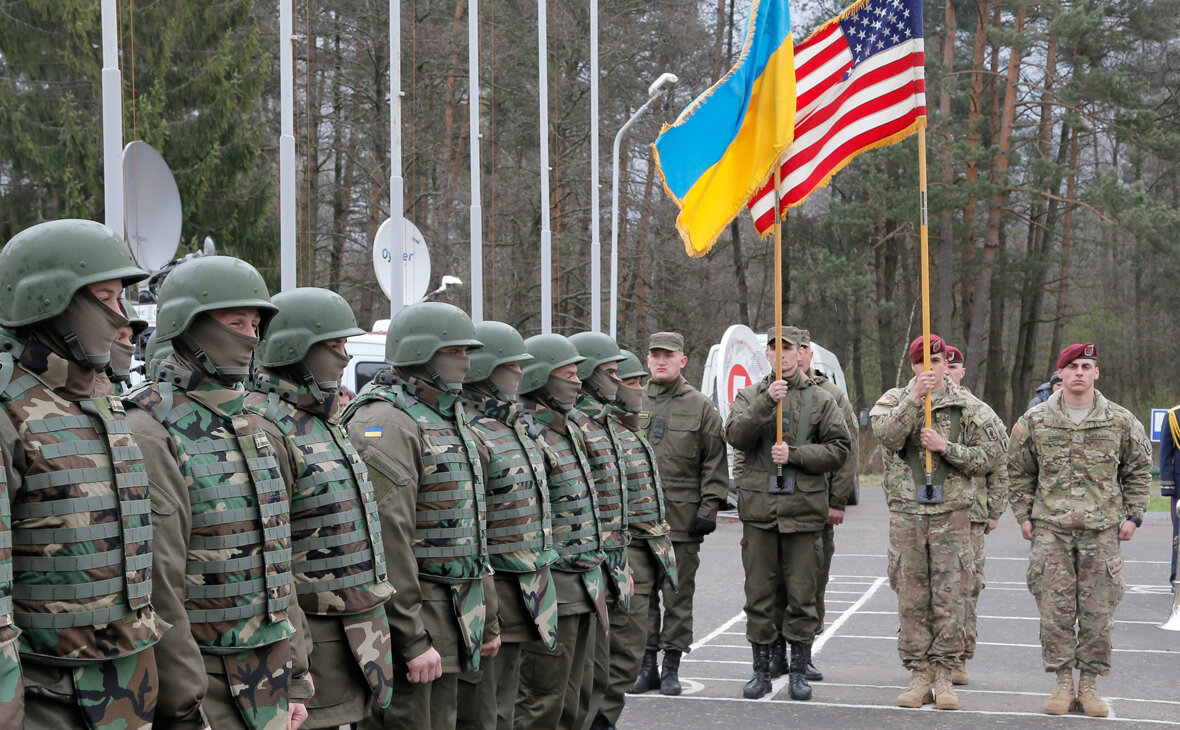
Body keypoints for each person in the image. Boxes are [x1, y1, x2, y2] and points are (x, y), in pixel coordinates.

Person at [125, 255, 312, 730]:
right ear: (188, 327)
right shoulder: (149, 430)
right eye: (235, 322)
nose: (250, 336)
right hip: (204, 687)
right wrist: (185, 703)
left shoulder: (252, 425)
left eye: (255, 324)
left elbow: (278, 558)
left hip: (268, 681)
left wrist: (295, 676)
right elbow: (158, 588)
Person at [0, 219, 166, 729]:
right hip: (45, 698)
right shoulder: (9, 411)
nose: (124, 316)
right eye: (108, 297)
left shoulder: (102, 401)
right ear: (51, 300)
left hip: (127, 691)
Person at [243, 288, 396, 729]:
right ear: (294, 349)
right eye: (333, 346)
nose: (345, 357)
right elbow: (270, 559)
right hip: (308, 644)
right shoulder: (266, 426)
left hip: (351, 643)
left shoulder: (322, 421)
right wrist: (295, 668)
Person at [341, 302, 493, 730]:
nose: (466, 362)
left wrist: (487, 617)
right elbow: (387, 539)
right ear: (422, 354)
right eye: (455, 351)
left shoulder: (443, 415)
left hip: (451, 613)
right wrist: (409, 635)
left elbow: (475, 527)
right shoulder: (387, 422)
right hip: (414, 614)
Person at [1008, 343, 1150, 717]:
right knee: (1054, 612)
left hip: (1101, 532)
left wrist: (1133, 516)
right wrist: (1023, 515)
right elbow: (1019, 472)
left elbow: (1138, 470)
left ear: (1096, 373)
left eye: (1086, 366)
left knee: (1098, 613)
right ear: (1061, 374)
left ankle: (1089, 685)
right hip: (1051, 531)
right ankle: (1062, 683)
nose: (1079, 374)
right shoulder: (1035, 421)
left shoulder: (1120, 421)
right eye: (1072, 367)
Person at [871, 334, 1006, 711]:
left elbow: (993, 455)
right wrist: (914, 400)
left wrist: (947, 448)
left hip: (951, 516)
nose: (931, 367)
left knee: (951, 595)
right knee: (912, 597)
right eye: (923, 362)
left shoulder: (970, 407)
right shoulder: (894, 401)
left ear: (948, 364)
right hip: (908, 515)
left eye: (938, 360)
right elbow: (885, 436)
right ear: (914, 367)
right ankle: (918, 674)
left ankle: (946, 674)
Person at [726, 326, 851, 702]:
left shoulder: (821, 398)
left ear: (802, 353)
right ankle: (762, 670)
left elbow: (840, 447)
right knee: (760, 594)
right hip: (761, 512)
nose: (781, 356)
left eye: (789, 349)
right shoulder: (750, 395)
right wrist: (766, 402)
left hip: (803, 512)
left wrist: (795, 455)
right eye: (774, 349)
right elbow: (734, 435)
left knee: (802, 594)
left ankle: (799, 668)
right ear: (766, 355)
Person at [455, 321, 559, 730]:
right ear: (488, 369)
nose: (520, 372)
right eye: (512, 364)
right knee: (482, 711)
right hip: (486, 593)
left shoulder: (511, 426)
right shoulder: (472, 431)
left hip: (525, 589)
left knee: (506, 707)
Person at [514, 334, 606, 730]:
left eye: (577, 373)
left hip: (584, 579)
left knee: (578, 694)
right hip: (551, 586)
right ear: (540, 378)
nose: (576, 382)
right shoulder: (526, 433)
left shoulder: (570, 430)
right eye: (567, 374)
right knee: (543, 700)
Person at [632, 332, 728, 698]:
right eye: (655, 355)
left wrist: (708, 509)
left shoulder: (701, 406)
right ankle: (646, 665)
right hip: (638, 521)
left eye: (668, 356)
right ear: (647, 359)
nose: (661, 361)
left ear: (683, 360)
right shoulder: (633, 400)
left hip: (681, 522)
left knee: (676, 596)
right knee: (642, 597)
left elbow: (714, 464)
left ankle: (671, 666)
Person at [597, 350, 677, 730]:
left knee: (626, 656)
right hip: (619, 560)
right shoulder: (596, 434)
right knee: (615, 657)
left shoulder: (630, 430)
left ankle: (604, 720)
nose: (637, 390)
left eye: (637, 382)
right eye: (627, 382)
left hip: (645, 557)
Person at [780, 328, 857, 682]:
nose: (797, 355)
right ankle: (776, 652)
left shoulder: (830, 395)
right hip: (776, 503)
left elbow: (847, 450)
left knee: (811, 583)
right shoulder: (771, 392)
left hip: (817, 503)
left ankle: (804, 650)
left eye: (801, 349)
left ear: (808, 353)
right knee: (775, 583)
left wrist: (837, 501)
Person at [567, 331, 630, 728]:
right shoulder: (574, 427)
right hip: (579, 569)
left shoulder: (603, 423)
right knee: (574, 687)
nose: (619, 383)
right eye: (610, 373)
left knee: (599, 676)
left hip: (604, 563)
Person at [943, 345, 1008, 686]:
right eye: (941, 366)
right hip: (935, 512)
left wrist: (995, 509)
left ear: (962, 371)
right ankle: (936, 655)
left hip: (972, 513)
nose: (946, 373)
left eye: (952, 367)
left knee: (967, 586)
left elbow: (998, 464)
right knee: (937, 587)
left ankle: (960, 656)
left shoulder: (979, 411)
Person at [1158, 403, 1180, 587]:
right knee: (1179, 535)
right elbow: (1166, 453)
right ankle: (1177, 578)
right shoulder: (1174, 416)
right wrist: (1168, 486)